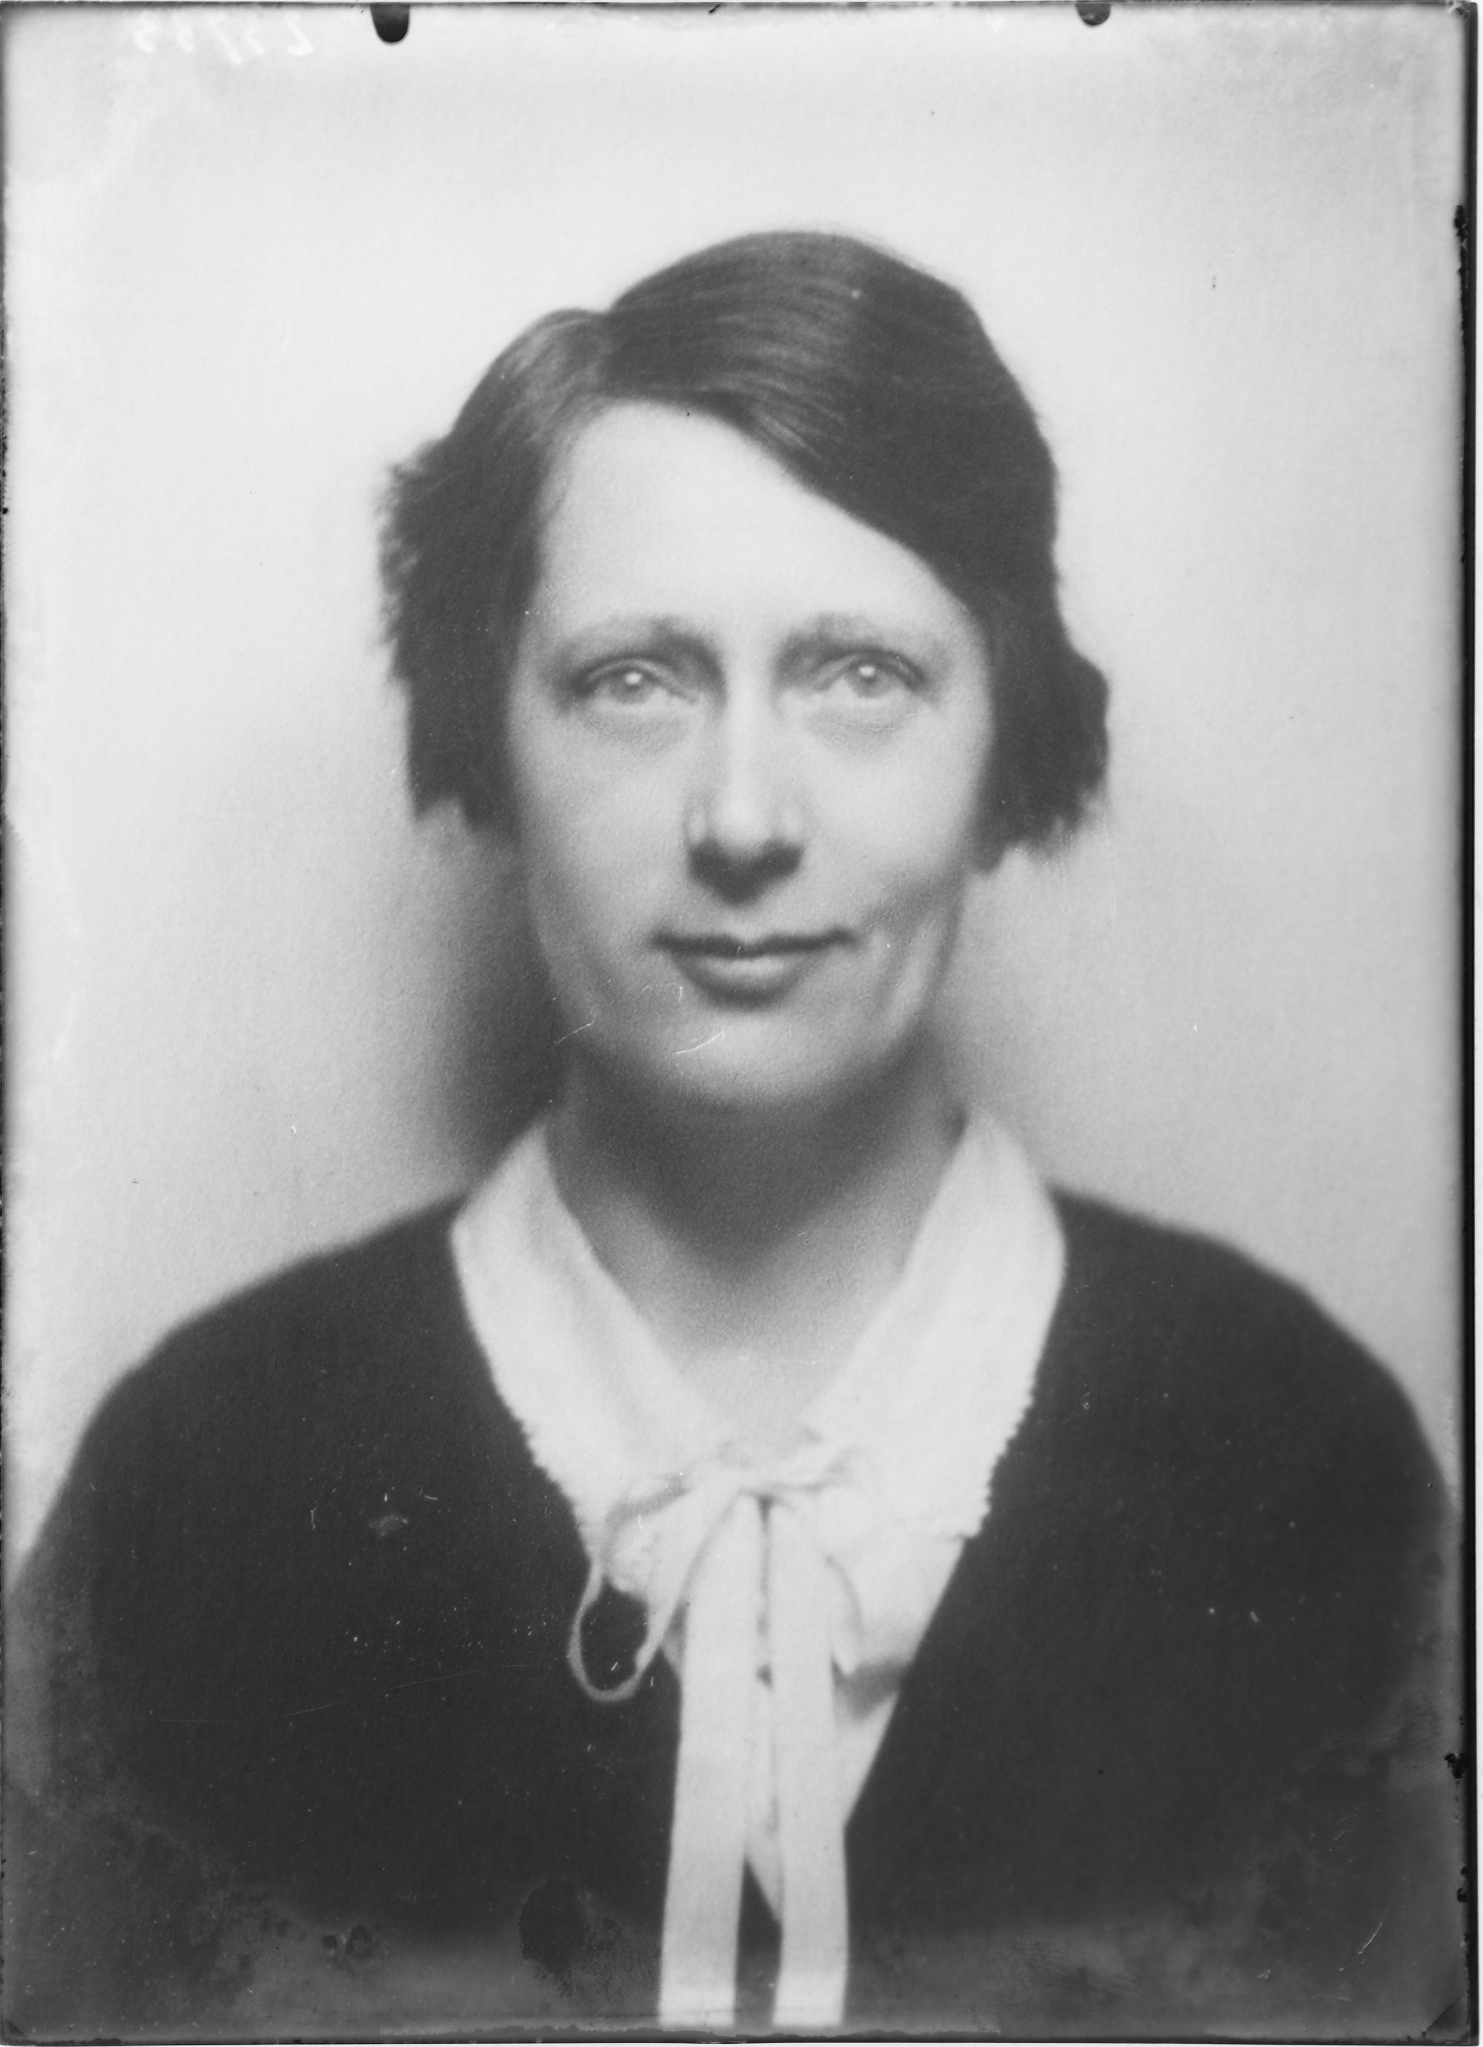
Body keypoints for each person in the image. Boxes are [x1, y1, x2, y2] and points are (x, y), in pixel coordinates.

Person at [6, 231, 1464, 2038]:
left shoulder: (1301, 1473)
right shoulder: (196, 1496)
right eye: (636, 677)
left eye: (861, 673)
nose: (747, 818)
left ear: (1005, 742)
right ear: (490, 738)